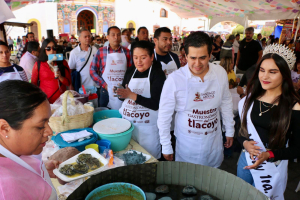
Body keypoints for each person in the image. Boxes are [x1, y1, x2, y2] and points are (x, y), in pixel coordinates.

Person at [157, 31, 235, 167]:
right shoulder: (174, 80)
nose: (197, 63)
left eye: (203, 58)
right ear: (185, 56)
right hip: (187, 148)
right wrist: (166, 145)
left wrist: (229, 130)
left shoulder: (220, 73)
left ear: (210, 55)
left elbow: (226, 102)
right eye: (192, 58)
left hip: (213, 145)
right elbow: (164, 116)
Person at [237, 44, 300, 200]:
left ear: (285, 75)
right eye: (262, 70)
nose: (265, 77)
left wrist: (270, 154)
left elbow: (298, 148)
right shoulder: (251, 98)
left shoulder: (294, 106)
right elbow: (240, 129)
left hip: (272, 164)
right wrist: (244, 142)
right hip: (245, 159)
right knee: (240, 195)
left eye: (273, 72)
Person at [0, 80, 60, 199]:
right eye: (40, 126)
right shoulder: (7, 190)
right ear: (4, 128)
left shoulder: (15, 151)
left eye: (48, 122)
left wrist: (41, 169)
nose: (49, 132)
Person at [116, 41, 166, 159]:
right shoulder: (130, 71)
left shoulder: (157, 74)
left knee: (150, 159)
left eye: (143, 58)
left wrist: (131, 95)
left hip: (148, 129)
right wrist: (120, 93)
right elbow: (125, 95)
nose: (139, 61)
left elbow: (155, 104)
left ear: (152, 57)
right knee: (130, 157)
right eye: (135, 57)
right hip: (129, 126)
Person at [90, 26, 132, 109]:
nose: (116, 37)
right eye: (113, 35)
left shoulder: (127, 52)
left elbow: (131, 72)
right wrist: (105, 85)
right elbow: (92, 70)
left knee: (122, 115)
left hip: (123, 90)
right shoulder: (101, 51)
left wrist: (126, 85)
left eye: (118, 35)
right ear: (107, 37)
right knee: (105, 116)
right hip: (105, 91)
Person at [31, 38, 71, 104]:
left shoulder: (62, 62)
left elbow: (68, 83)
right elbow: (33, 84)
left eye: (54, 48)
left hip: (62, 102)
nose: (52, 51)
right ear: (44, 50)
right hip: (46, 102)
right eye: (48, 48)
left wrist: (60, 77)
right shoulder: (38, 64)